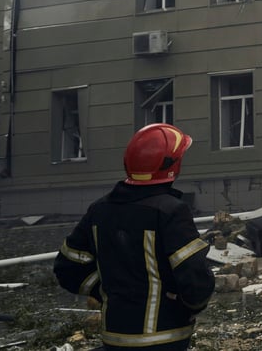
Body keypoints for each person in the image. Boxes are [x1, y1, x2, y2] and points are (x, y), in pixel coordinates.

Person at [54, 123, 214, 351]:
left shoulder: (100, 210)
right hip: (164, 338)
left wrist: (104, 292)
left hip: (114, 337)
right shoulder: (170, 211)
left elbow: (67, 267)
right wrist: (185, 306)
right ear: (172, 165)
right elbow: (196, 280)